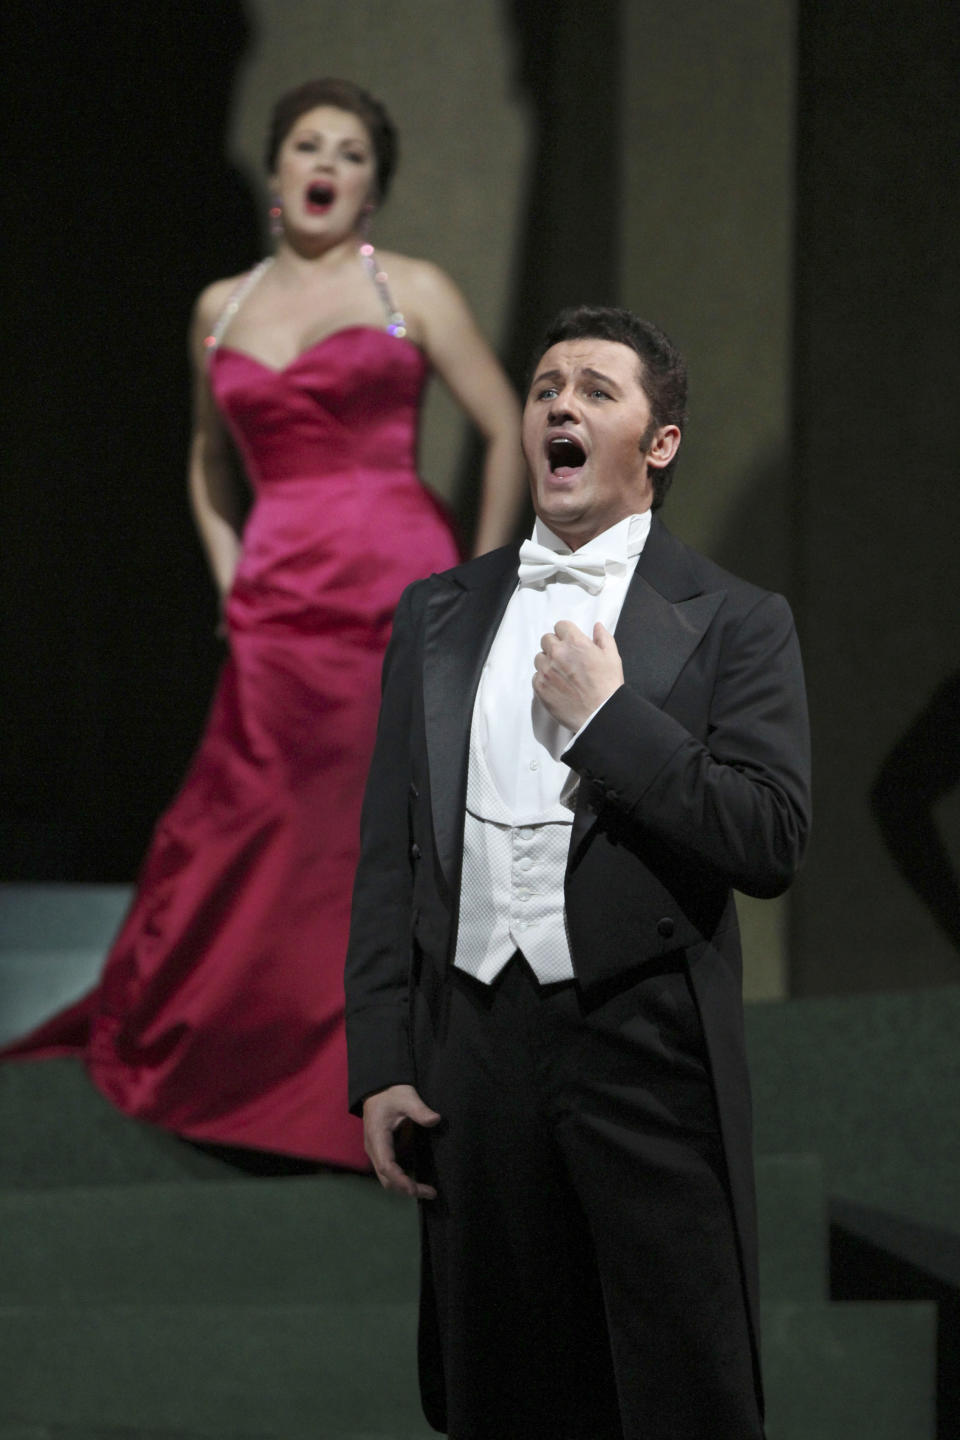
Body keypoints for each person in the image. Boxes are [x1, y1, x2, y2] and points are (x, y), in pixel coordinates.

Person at [4, 78, 525, 1168]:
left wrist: (482, 582)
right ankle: (253, 1058)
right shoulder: (221, 306)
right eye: (306, 144)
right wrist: (229, 572)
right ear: (281, 173)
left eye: (349, 150)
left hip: (395, 584)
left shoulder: (411, 289)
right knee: (263, 825)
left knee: (374, 826)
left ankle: (385, 1064)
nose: (325, 162)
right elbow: (205, 464)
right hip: (276, 603)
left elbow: (507, 427)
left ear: (372, 186)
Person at [345, 305, 812, 1438]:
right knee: (498, 1385)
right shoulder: (439, 616)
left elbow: (768, 836)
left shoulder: (737, 622)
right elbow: (389, 853)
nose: (561, 403)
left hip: (642, 1050)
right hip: (475, 1053)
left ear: (660, 443)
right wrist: (382, 1055)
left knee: (674, 1386)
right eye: (547, 386)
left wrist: (611, 719)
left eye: (597, 390)